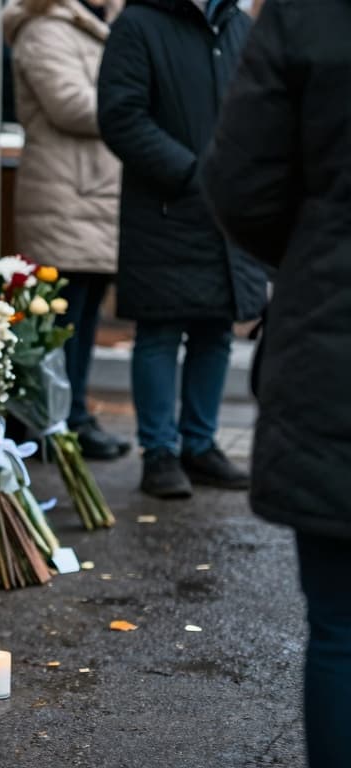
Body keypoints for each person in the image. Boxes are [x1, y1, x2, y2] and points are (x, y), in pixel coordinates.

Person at [201, 2, 351, 764]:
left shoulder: (306, 11)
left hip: (335, 332)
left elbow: (240, 181)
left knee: (341, 628)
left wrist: (319, 249)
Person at [96, 0, 267, 499]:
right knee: (160, 330)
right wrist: (192, 173)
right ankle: (160, 453)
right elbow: (121, 116)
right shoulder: (139, 23)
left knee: (216, 330)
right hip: (167, 208)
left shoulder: (238, 26)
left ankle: (200, 445)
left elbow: (258, 108)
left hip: (226, 209)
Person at [2, 0, 131, 460]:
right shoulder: (45, 28)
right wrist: (135, 107)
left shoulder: (103, 24)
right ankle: (55, 421)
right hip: (65, 196)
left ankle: (69, 417)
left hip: (94, 195)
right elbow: (70, 105)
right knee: (61, 319)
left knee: (85, 312)